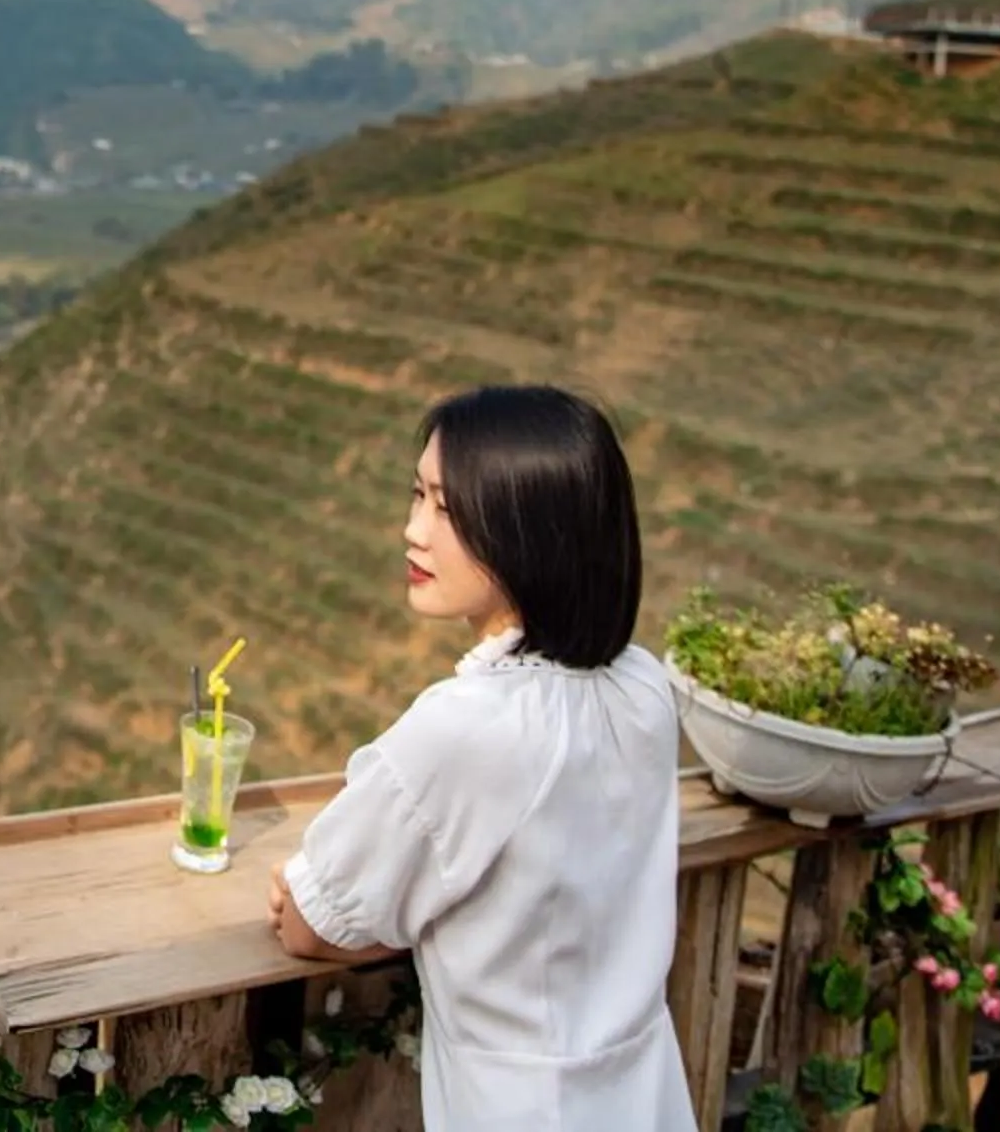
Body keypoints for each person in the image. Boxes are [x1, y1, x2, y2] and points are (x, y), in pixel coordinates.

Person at [267, 385, 695, 1130]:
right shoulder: (642, 687)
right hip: (642, 1095)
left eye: (449, 508)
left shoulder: (470, 727)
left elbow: (315, 924)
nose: (413, 532)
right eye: (417, 496)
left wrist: (307, 892)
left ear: (534, 529)